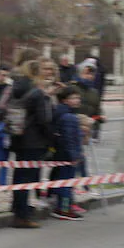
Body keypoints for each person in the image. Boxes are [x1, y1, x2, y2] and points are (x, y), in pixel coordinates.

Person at [8, 59, 55, 229]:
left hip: (18, 137)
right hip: (34, 142)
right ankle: (23, 216)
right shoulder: (37, 93)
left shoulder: (17, 88)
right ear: (38, 73)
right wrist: (52, 138)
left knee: (19, 177)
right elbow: (44, 120)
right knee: (28, 179)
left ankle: (16, 210)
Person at [50, 86, 84, 221]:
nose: (77, 100)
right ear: (65, 100)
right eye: (73, 98)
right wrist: (74, 155)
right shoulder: (69, 117)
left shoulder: (61, 112)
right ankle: (64, 209)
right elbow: (69, 138)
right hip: (67, 156)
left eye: (78, 97)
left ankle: (61, 206)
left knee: (62, 181)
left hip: (61, 153)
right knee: (66, 183)